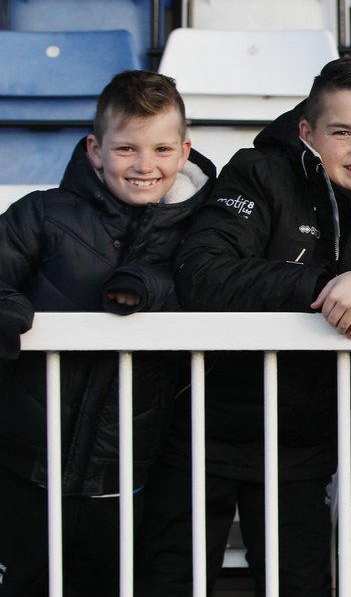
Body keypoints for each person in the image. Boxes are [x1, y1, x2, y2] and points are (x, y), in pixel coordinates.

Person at [137, 57, 351, 596]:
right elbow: (201, 274)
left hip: (303, 441)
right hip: (200, 430)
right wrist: (323, 285)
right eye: (342, 132)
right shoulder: (258, 171)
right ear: (307, 131)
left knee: (300, 585)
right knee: (172, 582)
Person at [0, 70, 215, 595]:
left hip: (126, 471)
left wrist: (153, 287)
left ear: (185, 150)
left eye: (163, 148)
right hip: (24, 464)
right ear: (95, 150)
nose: (146, 166)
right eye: (127, 149)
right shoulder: (42, 214)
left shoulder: (199, 232)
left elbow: (210, 286)